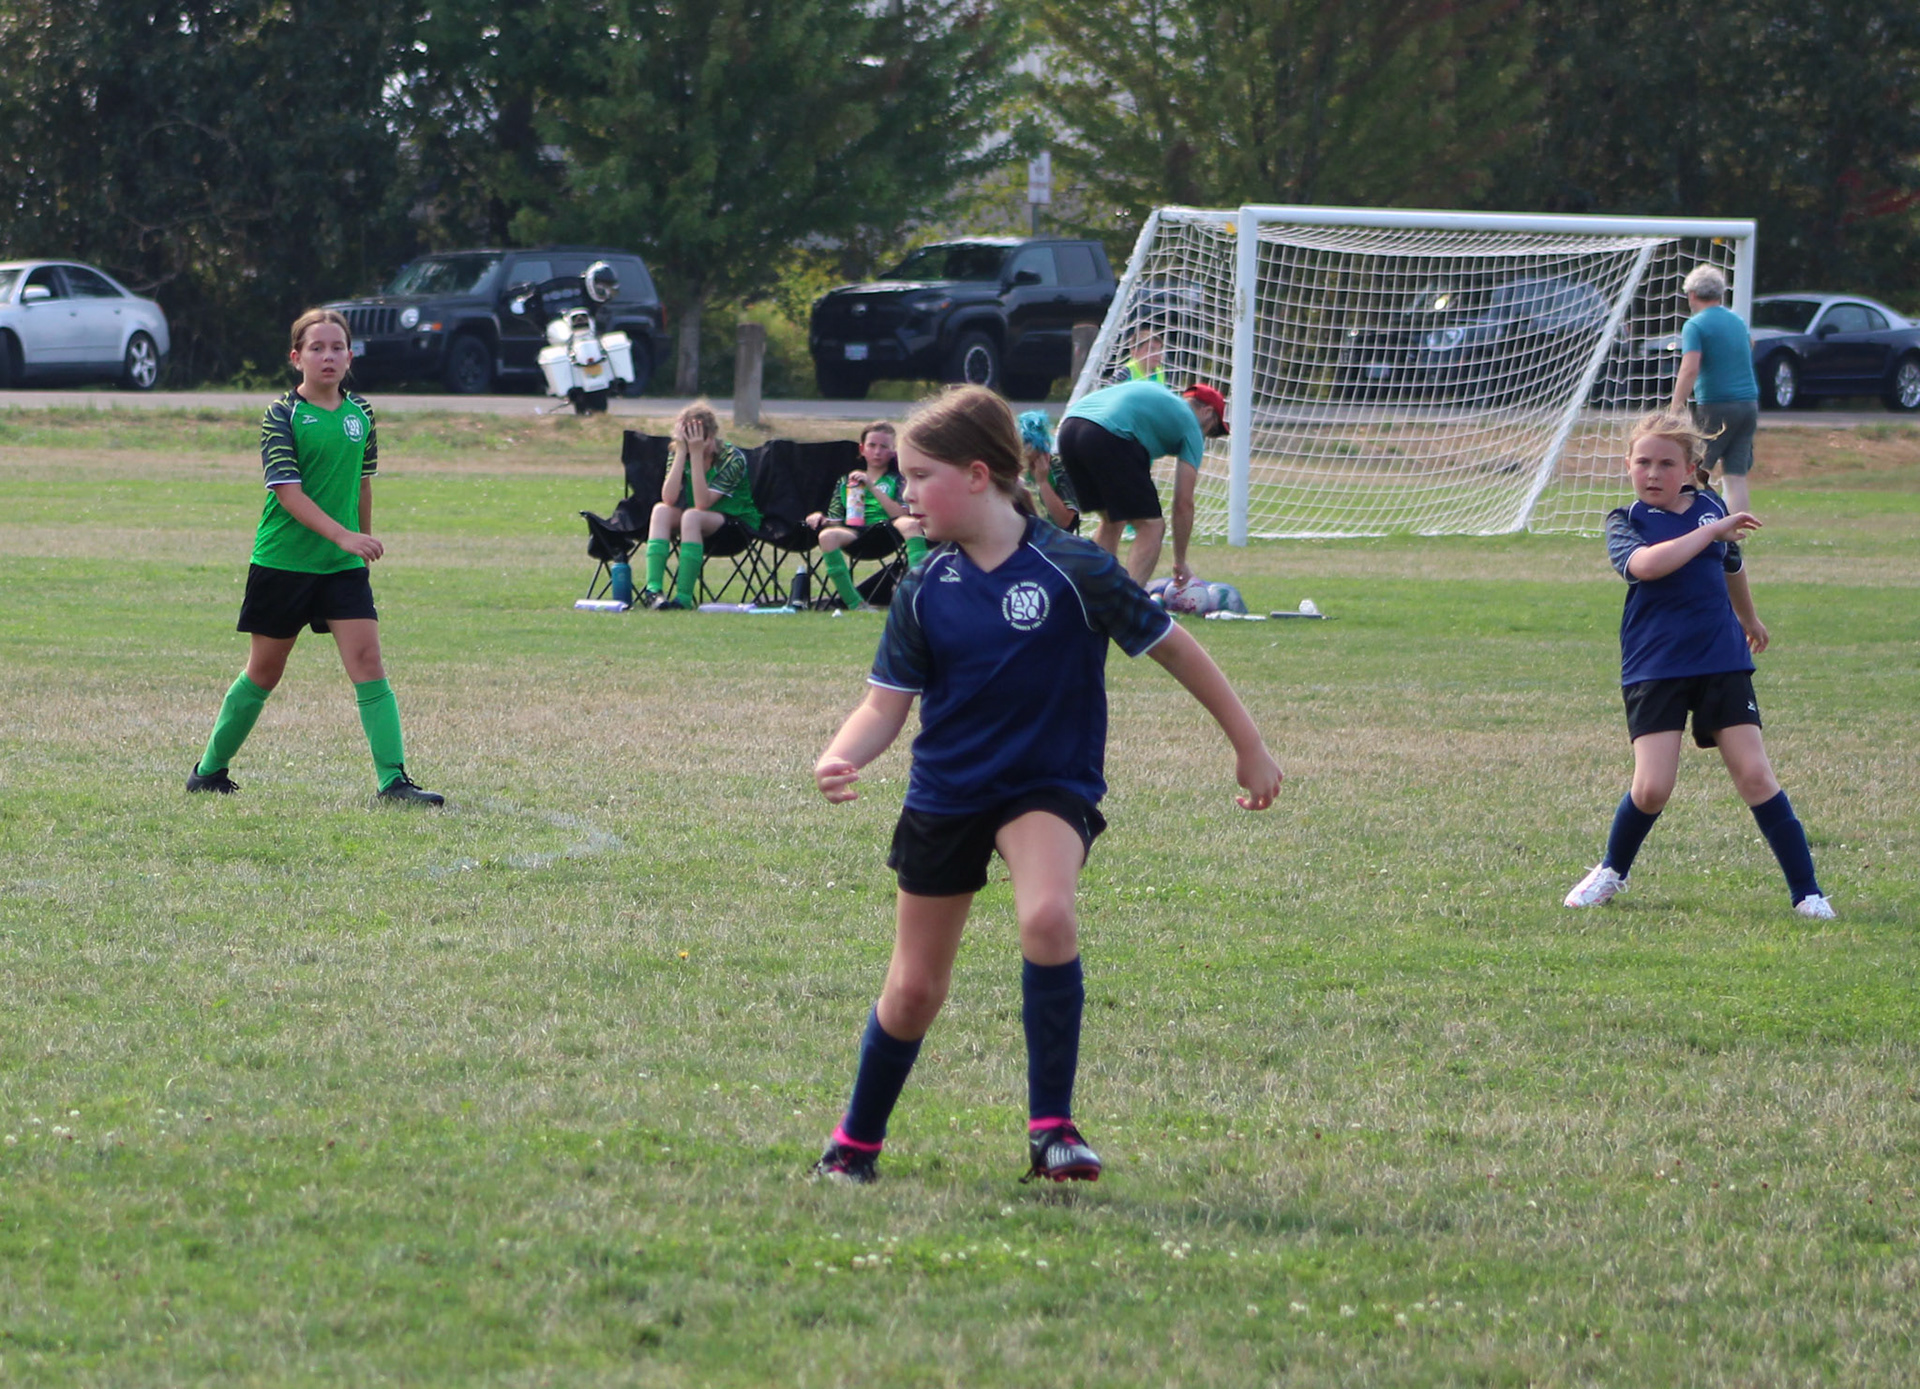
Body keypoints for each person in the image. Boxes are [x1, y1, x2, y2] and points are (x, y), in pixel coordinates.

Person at [808, 385, 1283, 1186]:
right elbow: (884, 704)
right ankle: (855, 1140)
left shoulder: (1075, 567)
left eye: (921, 476)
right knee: (915, 987)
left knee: (1049, 914)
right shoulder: (926, 585)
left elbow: (1175, 647)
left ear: (977, 474)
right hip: (948, 790)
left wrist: (1249, 745)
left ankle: (1053, 1130)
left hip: (1047, 784)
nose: (907, 493)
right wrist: (840, 753)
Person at [1563, 410, 1832, 918]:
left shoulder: (1711, 508)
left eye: (1667, 464)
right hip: (1654, 665)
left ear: (1689, 469)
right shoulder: (1626, 521)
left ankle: (1808, 894)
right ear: (1627, 465)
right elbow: (1646, 566)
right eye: (1643, 462)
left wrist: (1749, 619)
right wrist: (1710, 534)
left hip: (1721, 660)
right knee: (1651, 789)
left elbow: (1732, 566)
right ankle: (1611, 871)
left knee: (1755, 776)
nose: (1653, 473)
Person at [185, 309, 441, 804]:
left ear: (350, 356)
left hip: (341, 568)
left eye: (337, 347)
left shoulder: (361, 413)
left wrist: (361, 542)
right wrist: (344, 536)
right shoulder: (281, 414)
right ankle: (209, 770)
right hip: (283, 563)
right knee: (264, 671)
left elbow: (362, 483)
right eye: (317, 347)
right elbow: (288, 492)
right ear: (296, 357)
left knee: (368, 661)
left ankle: (393, 781)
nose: (328, 356)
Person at [1056, 378, 1225, 587]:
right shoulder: (1191, 426)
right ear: (1207, 412)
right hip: (1108, 433)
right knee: (1152, 526)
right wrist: (1180, 562)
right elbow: (1184, 503)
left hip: (1069, 429)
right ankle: (1130, 602)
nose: (1206, 436)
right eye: (1212, 430)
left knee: (1113, 520)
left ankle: (1094, 595)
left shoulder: (1161, 402)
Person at [637, 400, 763, 610]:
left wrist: (696, 455)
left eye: (698, 440)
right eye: (687, 441)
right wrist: (681, 452)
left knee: (692, 516)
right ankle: (653, 592)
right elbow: (669, 498)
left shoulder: (732, 458)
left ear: (711, 436)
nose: (692, 446)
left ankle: (683, 598)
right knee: (661, 510)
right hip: (696, 521)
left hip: (735, 525)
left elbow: (702, 503)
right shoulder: (681, 451)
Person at [804, 421, 929, 609]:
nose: (877, 452)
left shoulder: (898, 479)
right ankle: (856, 603)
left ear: (893, 452)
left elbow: (901, 513)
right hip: (856, 532)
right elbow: (836, 521)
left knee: (910, 524)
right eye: (872, 445)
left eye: (884, 446)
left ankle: (920, 592)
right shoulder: (846, 481)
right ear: (862, 449)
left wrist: (871, 485)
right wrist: (820, 519)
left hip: (888, 530)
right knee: (826, 536)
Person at [1669, 264, 1760, 515]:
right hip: (1748, 404)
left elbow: (1690, 368)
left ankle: (1690, 524)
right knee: (1735, 475)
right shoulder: (1737, 321)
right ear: (1720, 294)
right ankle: (1736, 533)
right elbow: (1750, 344)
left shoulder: (1695, 325)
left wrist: (1676, 407)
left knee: (1695, 469)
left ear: (1692, 295)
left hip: (1716, 405)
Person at [1016, 409, 1080, 531]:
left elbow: (1065, 522)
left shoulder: (1061, 469)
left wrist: (1043, 482)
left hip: (1055, 537)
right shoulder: (1012, 469)